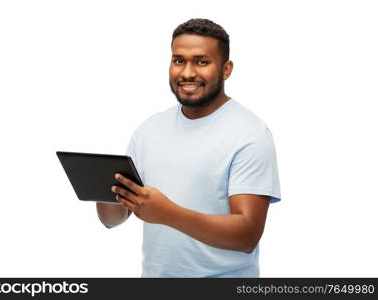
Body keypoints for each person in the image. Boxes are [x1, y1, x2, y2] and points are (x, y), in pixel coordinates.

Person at [96, 18, 281, 278]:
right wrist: (102, 189)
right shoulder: (148, 130)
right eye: (179, 60)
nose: (187, 73)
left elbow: (246, 234)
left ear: (226, 69)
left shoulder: (249, 134)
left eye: (202, 61)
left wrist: (167, 213)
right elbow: (111, 220)